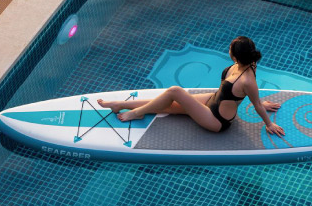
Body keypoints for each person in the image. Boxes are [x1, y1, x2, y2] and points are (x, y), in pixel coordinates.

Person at [98, 37, 286, 135]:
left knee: (174, 92)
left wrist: (268, 123)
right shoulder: (248, 63)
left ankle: (136, 113)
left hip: (217, 120)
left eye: (230, 49)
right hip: (212, 101)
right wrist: (260, 102)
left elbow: (253, 97)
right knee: (167, 105)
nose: (228, 50)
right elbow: (252, 97)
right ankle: (120, 105)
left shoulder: (247, 80)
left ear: (236, 56)